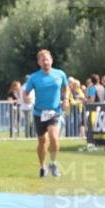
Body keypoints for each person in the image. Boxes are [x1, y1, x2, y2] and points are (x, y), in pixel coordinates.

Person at [24, 49, 69, 177]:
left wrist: (65, 99)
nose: (45, 61)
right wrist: (27, 98)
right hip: (39, 113)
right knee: (42, 141)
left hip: (55, 112)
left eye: (47, 59)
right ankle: (42, 166)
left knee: (54, 137)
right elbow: (26, 93)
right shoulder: (34, 77)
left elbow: (66, 88)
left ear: (51, 60)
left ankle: (53, 163)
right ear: (39, 62)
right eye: (42, 59)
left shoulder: (60, 74)